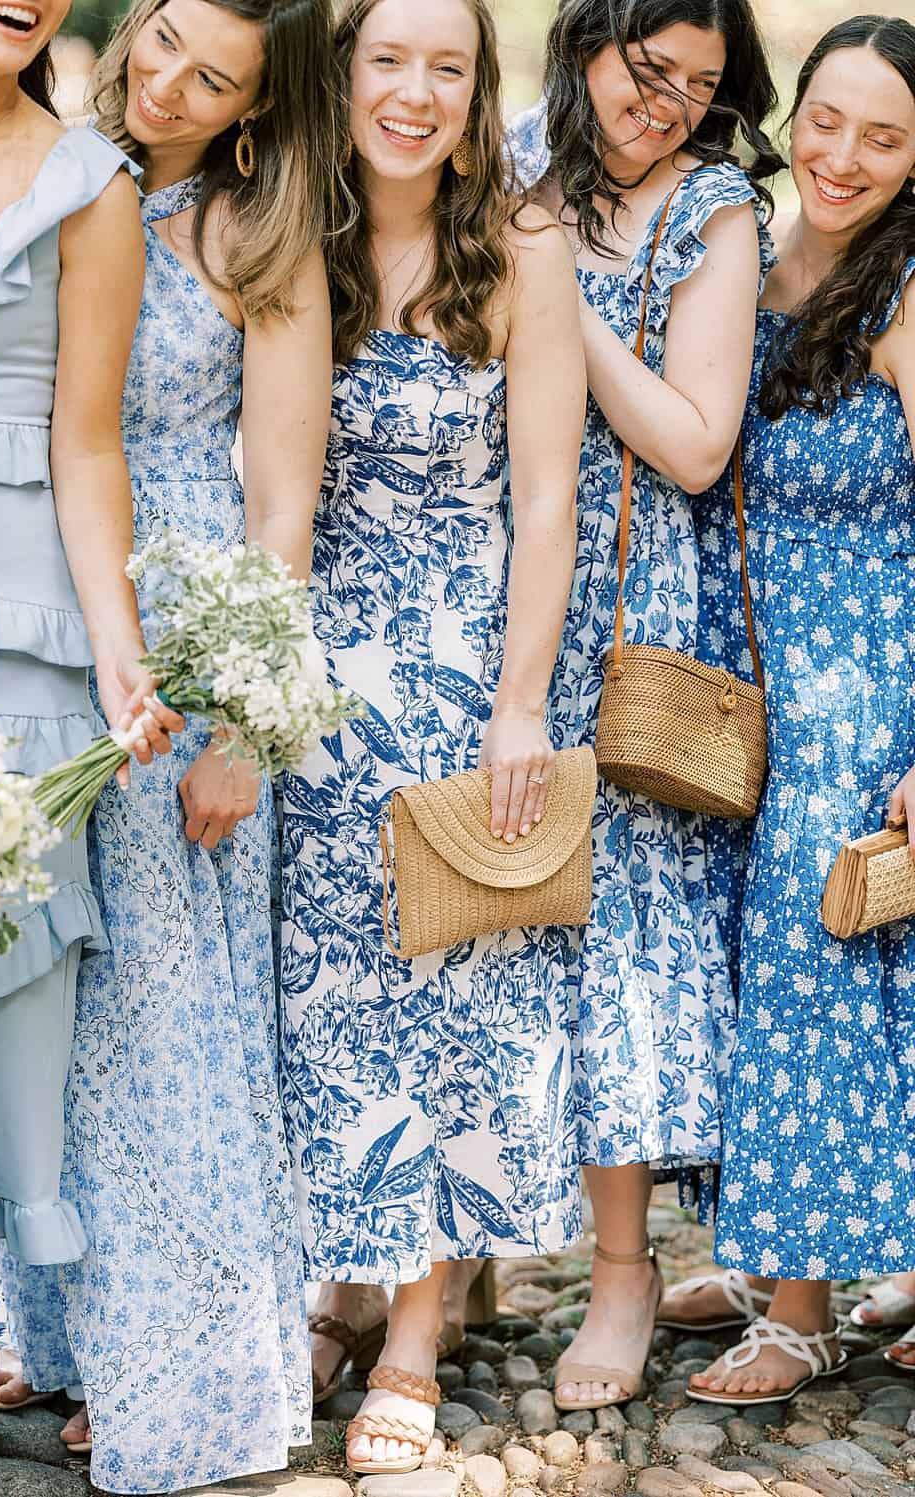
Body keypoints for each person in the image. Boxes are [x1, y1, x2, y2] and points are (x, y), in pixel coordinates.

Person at [0, 0, 341, 1481]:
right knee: (49, 992)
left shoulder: (257, 244)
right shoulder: (46, 173)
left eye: (215, 78)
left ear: (259, 107)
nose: (171, 83)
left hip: (185, 656)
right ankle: (68, 1334)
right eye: (163, 42)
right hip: (34, 620)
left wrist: (247, 731)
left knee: (165, 1011)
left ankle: (180, 1360)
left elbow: (281, 508)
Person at [285, 0, 586, 1469]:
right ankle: (341, 1275)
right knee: (327, 1005)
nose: (415, 94)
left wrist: (521, 700)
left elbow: (549, 494)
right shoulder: (293, 228)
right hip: (313, 681)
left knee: (451, 1003)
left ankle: (416, 1324)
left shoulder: (525, 240)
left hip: (468, 669)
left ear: (480, 94)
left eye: (447, 69)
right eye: (387, 61)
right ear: (341, 74)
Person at [0, 0, 175, 1474]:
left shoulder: (94, 185)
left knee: (6, 1001)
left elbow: (90, 445)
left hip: (27, 635)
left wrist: (121, 666)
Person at [506, 0, 778, 1411]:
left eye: (700, 84)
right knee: (495, 920)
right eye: (644, 68)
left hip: (637, 615)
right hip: (495, 577)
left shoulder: (715, 208)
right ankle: (456, 1241)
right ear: (585, 38)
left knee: (622, 944)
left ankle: (627, 1271)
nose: (665, 102)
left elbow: (693, 439)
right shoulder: (508, 160)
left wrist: (550, 299)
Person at [651, 16, 915, 1405]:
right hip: (753, 667)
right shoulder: (746, 250)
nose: (844, 155)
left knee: (824, 974)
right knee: (776, 974)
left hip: (872, 672)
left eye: (883, 135)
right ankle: (783, 1250)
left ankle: (807, 1311)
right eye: (827, 120)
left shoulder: (908, 286)